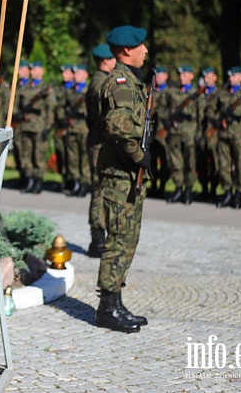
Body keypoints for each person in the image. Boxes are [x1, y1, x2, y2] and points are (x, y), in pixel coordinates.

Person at [94, 25, 149, 333]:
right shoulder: (120, 83)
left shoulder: (130, 81)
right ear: (127, 50)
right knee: (118, 239)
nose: (145, 51)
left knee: (128, 239)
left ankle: (115, 301)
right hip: (120, 173)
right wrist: (140, 157)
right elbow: (119, 128)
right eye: (141, 46)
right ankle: (106, 308)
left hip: (126, 174)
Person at [85, 44, 115, 257]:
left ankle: (99, 238)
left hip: (98, 142)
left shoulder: (98, 81)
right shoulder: (101, 83)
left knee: (101, 189)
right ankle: (97, 240)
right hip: (100, 143)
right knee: (100, 189)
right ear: (105, 60)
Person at [214, 67, 241, 209]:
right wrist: (218, 120)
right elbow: (212, 110)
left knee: (240, 166)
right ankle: (227, 192)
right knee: (224, 166)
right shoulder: (222, 93)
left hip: (239, 136)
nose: (231, 78)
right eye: (230, 75)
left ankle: (239, 193)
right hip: (224, 135)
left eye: (234, 75)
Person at [14, 60, 54, 193]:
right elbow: (17, 104)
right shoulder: (24, 87)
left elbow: (50, 109)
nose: (33, 71)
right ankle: (29, 179)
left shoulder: (46, 88)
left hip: (39, 127)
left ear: (42, 71)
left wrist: (47, 127)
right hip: (25, 126)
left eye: (36, 69)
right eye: (31, 69)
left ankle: (38, 181)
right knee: (26, 155)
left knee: (38, 156)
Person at [164, 65, 202, 204]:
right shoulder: (172, 92)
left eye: (185, 74)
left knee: (189, 163)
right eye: (180, 74)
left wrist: (199, 133)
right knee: (176, 163)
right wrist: (168, 122)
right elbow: (165, 109)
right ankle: (178, 188)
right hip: (174, 133)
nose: (182, 77)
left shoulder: (196, 94)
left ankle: (188, 190)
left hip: (189, 133)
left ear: (192, 76)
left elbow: (200, 116)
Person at [64, 64, 91, 196]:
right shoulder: (71, 91)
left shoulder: (89, 91)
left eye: (79, 73)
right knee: (72, 157)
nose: (75, 76)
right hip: (71, 128)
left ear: (86, 75)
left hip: (84, 129)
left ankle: (84, 183)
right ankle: (75, 182)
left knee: (84, 158)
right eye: (74, 74)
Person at [198, 67, 220, 199]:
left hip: (214, 134)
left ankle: (214, 190)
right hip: (201, 133)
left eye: (209, 76)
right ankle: (204, 189)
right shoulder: (200, 94)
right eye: (205, 76)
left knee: (214, 163)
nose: (206, 79)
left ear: (215, 78)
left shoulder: (219, 94)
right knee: (201, 163)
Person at [52, 63, 75, 190]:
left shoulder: (75, 89)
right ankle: (64, 178)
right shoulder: (58, 89)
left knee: (71, 155)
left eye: (67, 73)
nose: (64, 75)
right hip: (59, 126)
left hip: (71, 127)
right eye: (63, 73)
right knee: (60, 153)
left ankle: (73, 180)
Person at [149, 66, 171, 197]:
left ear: (166, 76)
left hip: (164, 132)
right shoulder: (150, 91)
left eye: (161, 75)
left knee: (164, 160)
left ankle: (162, 186)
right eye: (156, 76)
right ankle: (153, 185)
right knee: (151, 160)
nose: (158, 78)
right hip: (151, 131)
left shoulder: (170, 93)